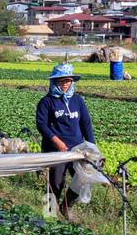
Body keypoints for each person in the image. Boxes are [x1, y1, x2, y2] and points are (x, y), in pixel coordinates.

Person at [35, 63, 96, 220]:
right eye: (61, 81)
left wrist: (92, 147)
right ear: (54, 82)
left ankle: (66, 207)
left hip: (77, 149)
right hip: (57, 150)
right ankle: (48, 214)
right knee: (55, 183)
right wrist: (58, 142)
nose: (65, 84)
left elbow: (86, 124)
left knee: (82, 179)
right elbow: (42, 125)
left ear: (72, 82)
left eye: (68, 81)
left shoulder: (78, 100)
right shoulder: (47, 102)